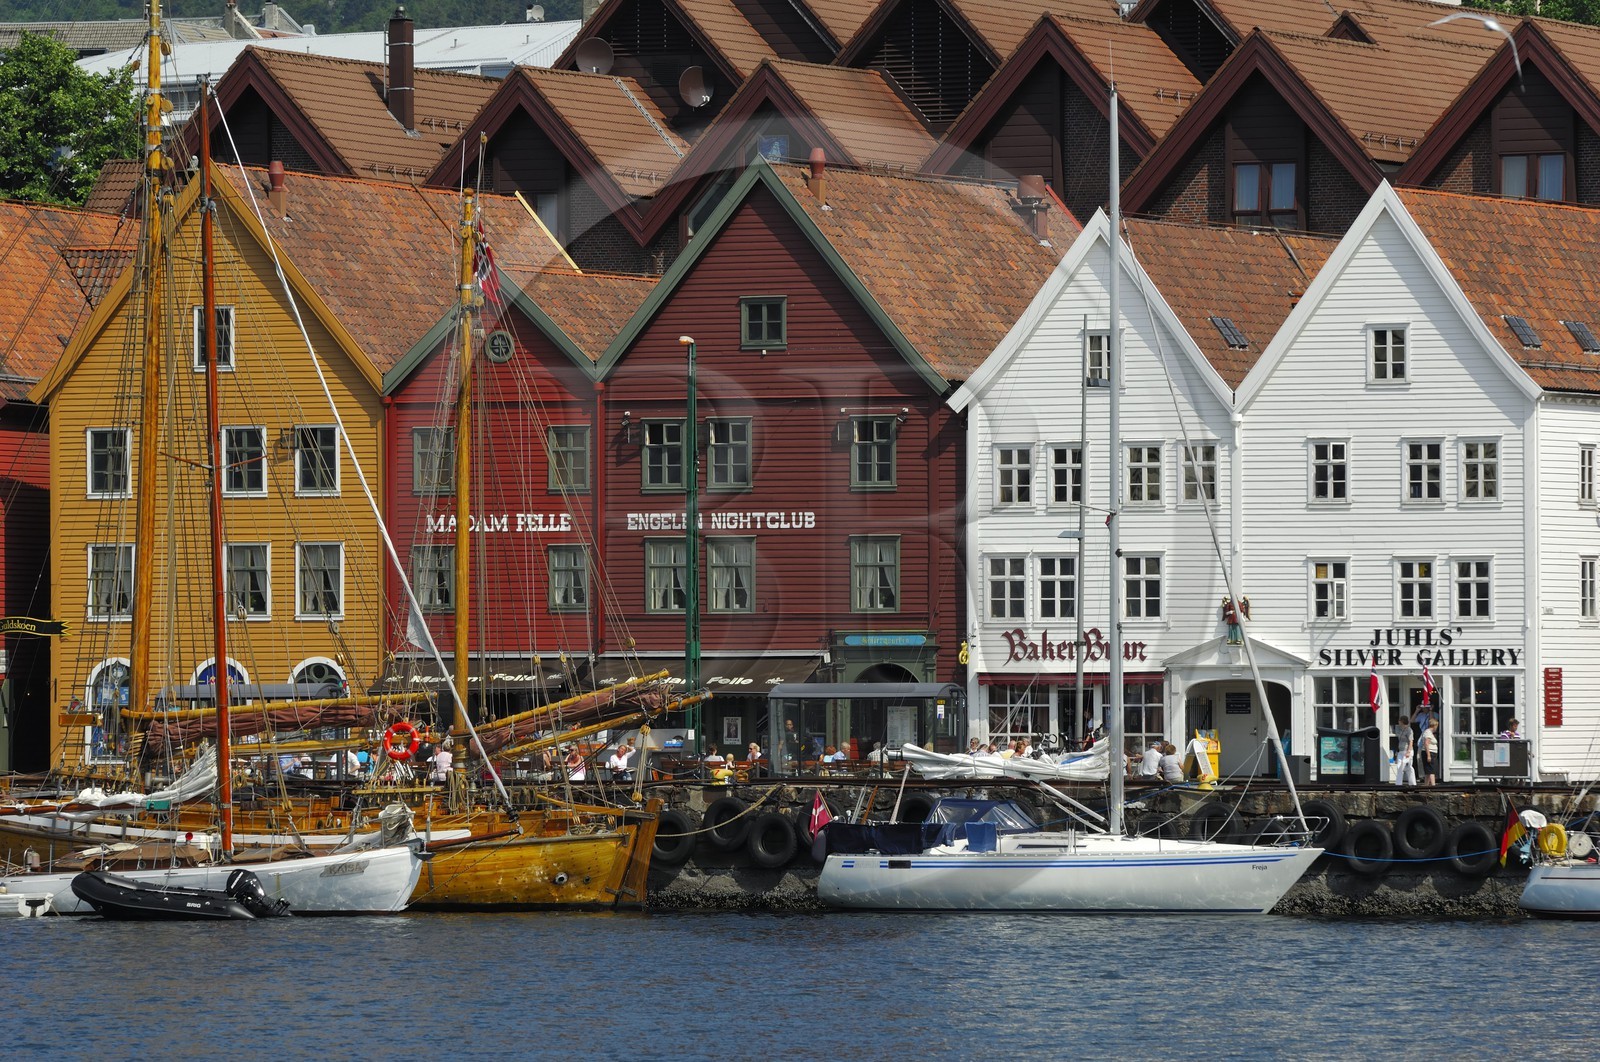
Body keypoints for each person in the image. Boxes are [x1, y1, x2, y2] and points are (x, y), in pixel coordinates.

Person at [1392, 714, 1416, 786]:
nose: (1398, 722)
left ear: (1402, 721)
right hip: (1401, 750)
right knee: (1399, 766)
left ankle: (1412, 783)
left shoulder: (1409, 730)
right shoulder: (1399, 728)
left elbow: (1411, 741)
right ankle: (1398, 783)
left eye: (1399, 720)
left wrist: (1408, 752)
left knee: (1409, 767)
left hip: (1407, 750)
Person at [1418, 719, 1440, 786]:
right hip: (1430, 752)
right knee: (1431, 770)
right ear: (1434, 725)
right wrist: (1428, 755)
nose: (1437, 728)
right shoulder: (1428, 732)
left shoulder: (1430, 733)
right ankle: (1433, 785)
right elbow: (1426, 743)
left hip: (1431, 752)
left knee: (1428, 770)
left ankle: (1426, 785)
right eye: (1436, 726)